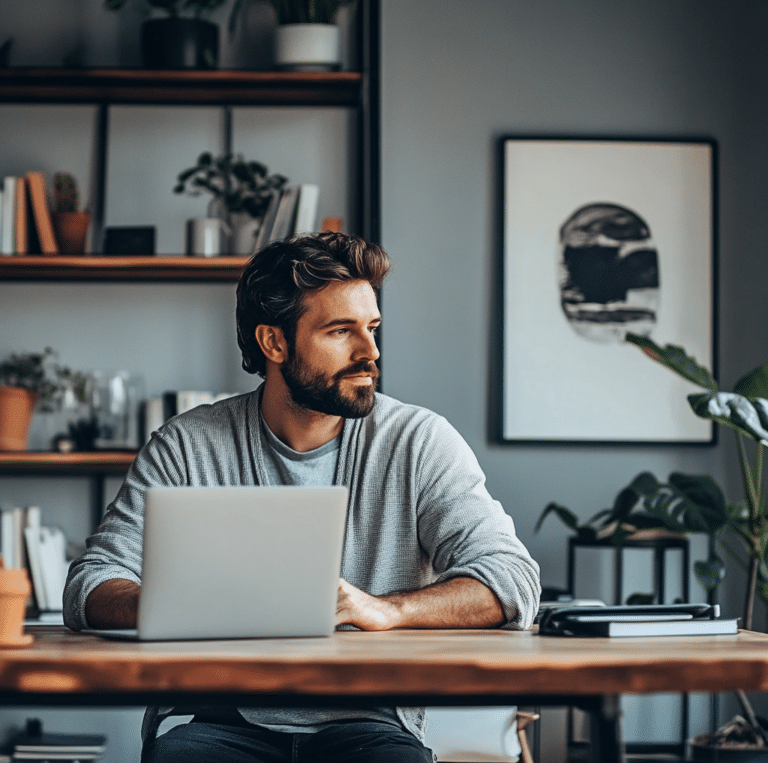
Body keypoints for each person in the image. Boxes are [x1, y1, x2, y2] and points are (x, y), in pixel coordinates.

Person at [64, 232, 541, 763]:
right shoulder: (187, 445)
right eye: (341, 331)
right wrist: (175, 606)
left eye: (372, 328)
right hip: (216, 719)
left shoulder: (419, 441)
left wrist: (388, 610)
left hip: (367, 720)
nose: (370, 352)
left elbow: (512, 580)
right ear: (274, 343)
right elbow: (90, 584)